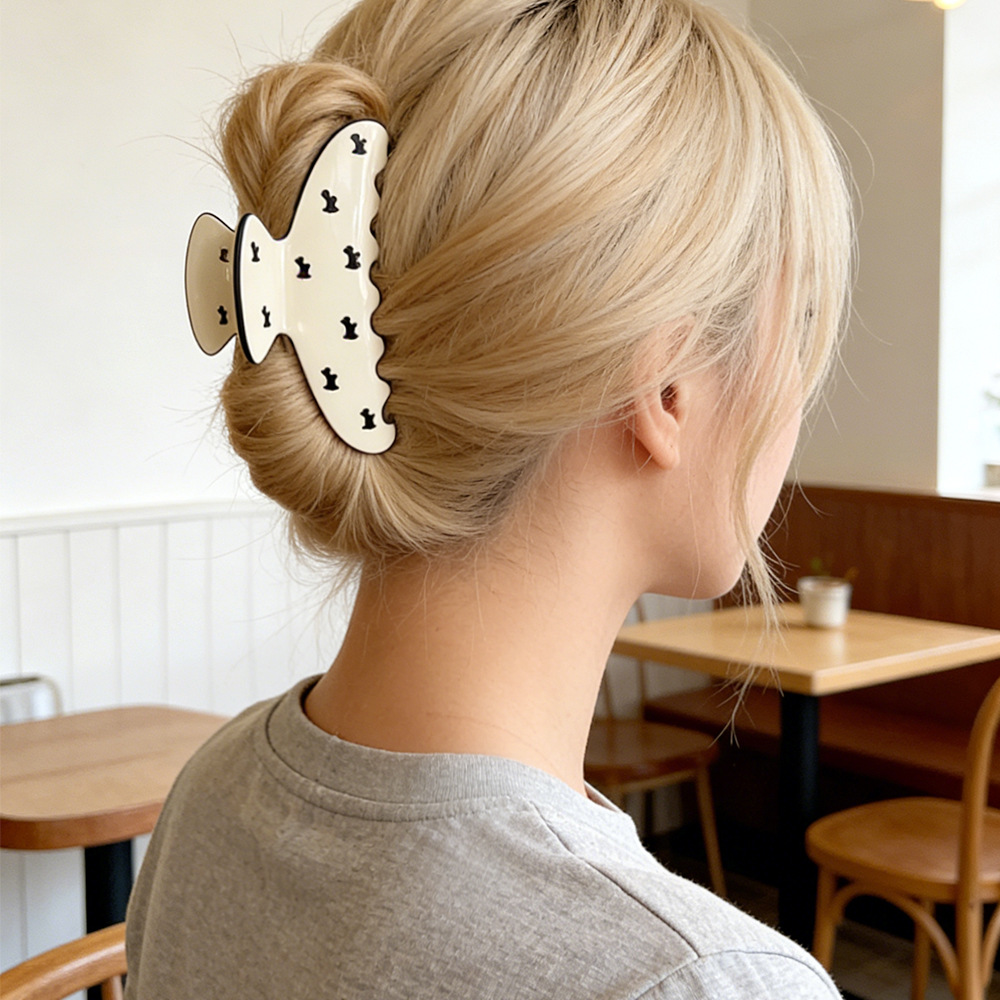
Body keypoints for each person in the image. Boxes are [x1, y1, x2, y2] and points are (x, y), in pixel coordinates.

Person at [125, 0, 852, 996]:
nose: (799, 389)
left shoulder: (210, 796)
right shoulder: (696, 981)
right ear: (668, 384)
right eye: (797, 319)